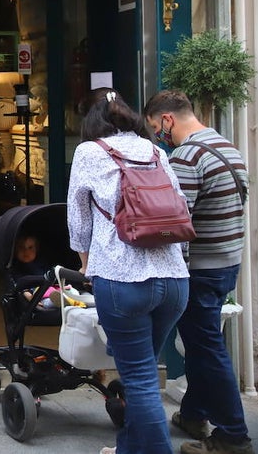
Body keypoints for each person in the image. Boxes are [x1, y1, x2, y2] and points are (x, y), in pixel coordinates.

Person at [66, 88, 188, 454]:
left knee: (140, 380)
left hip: (123, 281)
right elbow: (179, 207)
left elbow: (78, 215)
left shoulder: (89, 152)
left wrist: (85, 263)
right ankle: (129, 448)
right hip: (174, 280)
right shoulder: (154, 150)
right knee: (145, 372)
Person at [144, 90, 254, 454]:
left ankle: (232, 436)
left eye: (156, 128)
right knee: (200, 342)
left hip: (202, 269)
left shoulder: (187, 156)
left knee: (206, 347)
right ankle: (193, 413)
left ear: (167, 120)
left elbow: (177, 222)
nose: (159, 135)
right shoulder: (227, 146)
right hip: (227, 261)